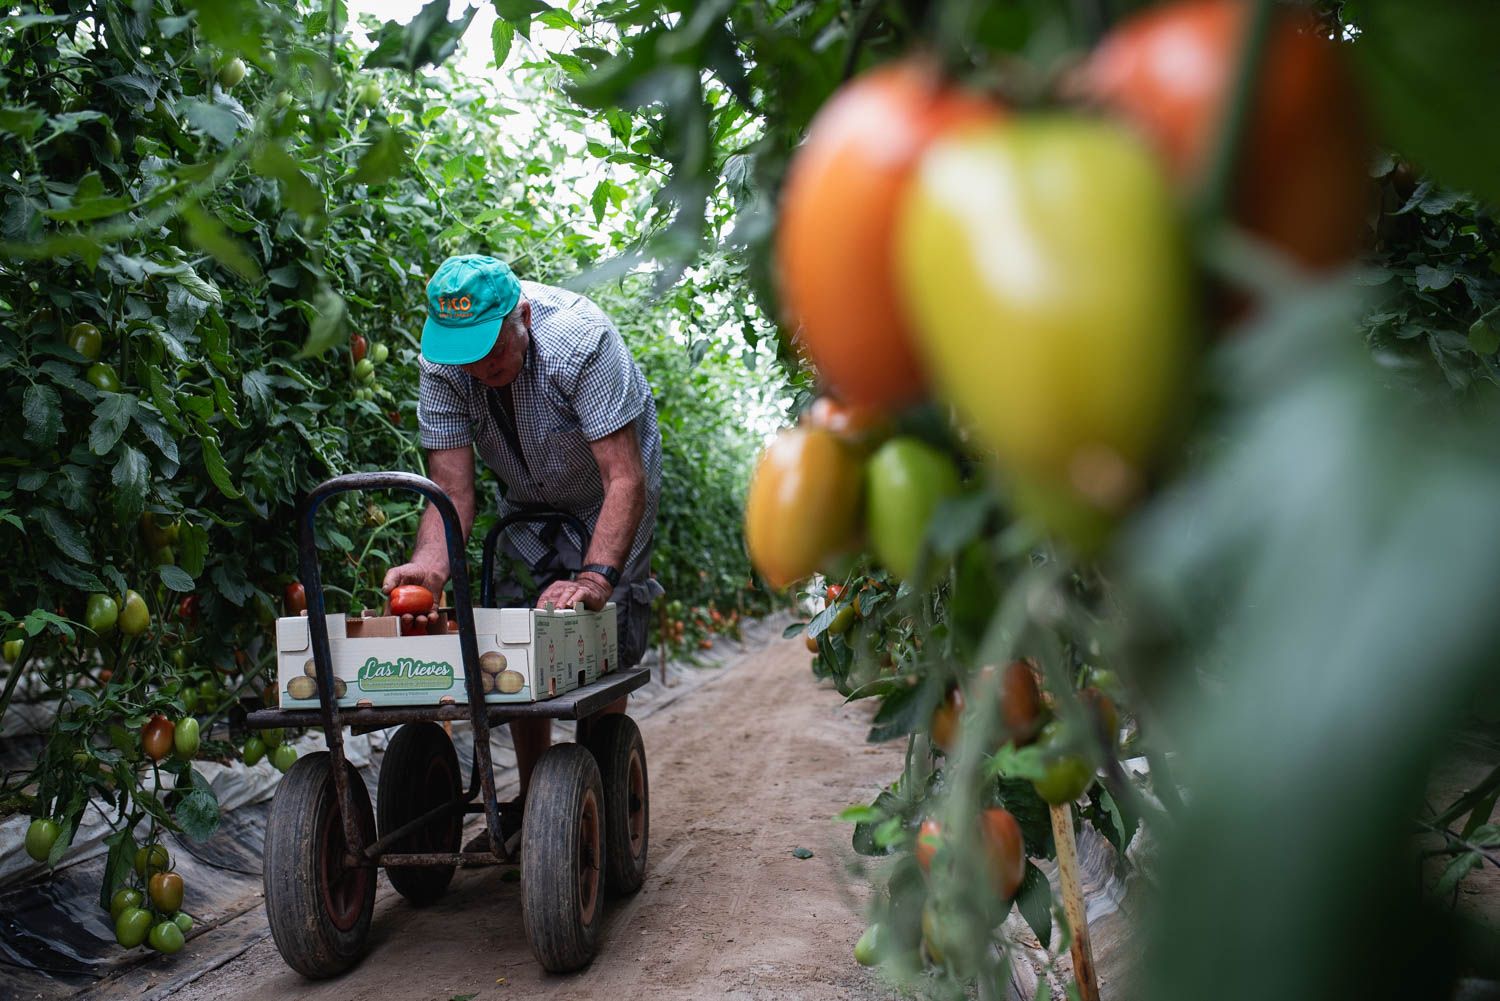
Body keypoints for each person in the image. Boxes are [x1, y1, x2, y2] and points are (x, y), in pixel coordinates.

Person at [383, 254, 662, 839]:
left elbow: (623, 479)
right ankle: (539, 804)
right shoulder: (445, 361)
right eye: (466, 353)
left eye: (492, 348)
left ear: (524, 318)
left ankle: (598, 799)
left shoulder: (581, 342)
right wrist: (430, 569)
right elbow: (453, 491)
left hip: (605, 499)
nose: (479, 365)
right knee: (517, 627)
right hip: (526, 505)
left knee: (598, 635)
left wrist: (593, 578)